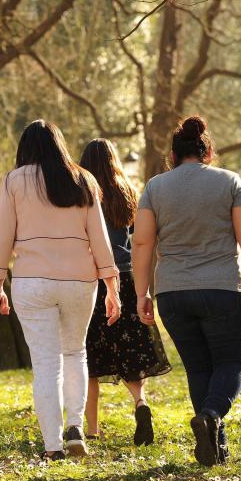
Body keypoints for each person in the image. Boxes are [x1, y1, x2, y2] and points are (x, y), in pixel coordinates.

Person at [132, 115, 241, 467]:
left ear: (174, 156)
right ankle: (210, 414)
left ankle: (215, 449)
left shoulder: (154, 187)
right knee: (237, 362)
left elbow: (143, 242)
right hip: (222, 287)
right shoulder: (229, 182)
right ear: (207, 151)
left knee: (199, 369)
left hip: (173, 293)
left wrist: (141, 293)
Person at [0, 120, 121, 461]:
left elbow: (2, 236)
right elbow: (100, 239)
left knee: (46, 363)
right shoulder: (84, 180)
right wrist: (111, 286)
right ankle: (76, 426)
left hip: (33, 282)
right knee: (74, 353)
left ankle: (53, 446)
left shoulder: (15, 181)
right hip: (80, 281)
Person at [79, 139, 172, 446]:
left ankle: (91, 429)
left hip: (93, 279)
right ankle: (140, 402)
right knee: (130, 349)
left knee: (90, 356)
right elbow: (138, 238)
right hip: (127, 279)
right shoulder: (128, 193)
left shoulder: (81, 193)